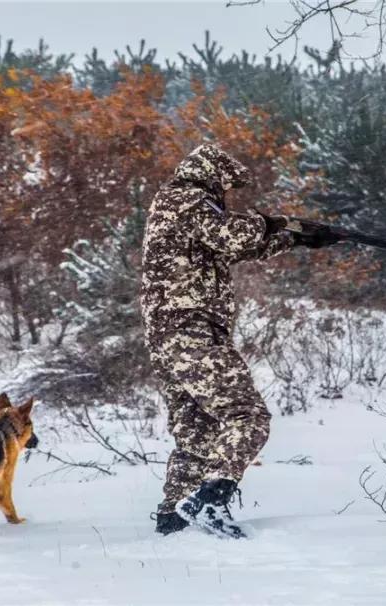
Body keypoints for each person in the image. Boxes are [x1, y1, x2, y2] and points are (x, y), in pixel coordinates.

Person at [140, 144, 340, 538]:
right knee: (248, 416)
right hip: (191, 330)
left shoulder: (175, 208)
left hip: (169, 336)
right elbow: (232, 235)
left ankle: (173, 519)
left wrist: (297, 239)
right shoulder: (187, 199)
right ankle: (209, 500)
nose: (226, 193)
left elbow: (235, 246)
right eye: (225, 185)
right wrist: (280, 223)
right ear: (212, 176)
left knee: (196, 429)